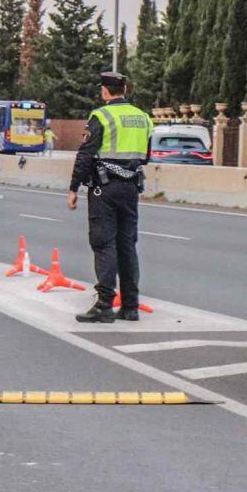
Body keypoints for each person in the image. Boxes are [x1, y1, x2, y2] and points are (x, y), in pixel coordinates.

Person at [67, 72, 153, 323]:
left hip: (104, 189)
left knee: (104, 242)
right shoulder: (143, 117)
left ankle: (104, 304)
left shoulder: (101, 116)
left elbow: (85, 154)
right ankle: (130, 306)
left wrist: (74, 188)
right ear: (125, 89)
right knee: (127, 245)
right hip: (131, 188)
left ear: (105, 92)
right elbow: (146, 156)